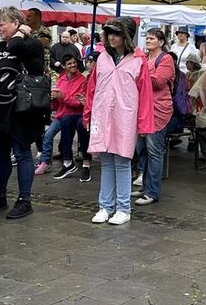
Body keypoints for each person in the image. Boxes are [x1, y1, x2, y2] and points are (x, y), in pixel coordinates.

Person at [0, 7, 48, 220]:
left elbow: (15, 46)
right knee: (0, 155)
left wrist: (22, 31)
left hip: (20, 111)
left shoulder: (30, 44)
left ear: (16, 23)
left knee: (22, 153)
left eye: (2, 24)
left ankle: (25, 200)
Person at [83, 16, 154, 226]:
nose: (112, 37)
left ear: (126, 36)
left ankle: (123, 208)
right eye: (109, 33)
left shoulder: (138, 61)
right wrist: (87, 114)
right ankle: (105, 206)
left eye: (117, 33)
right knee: (106, 161)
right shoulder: (103, 59)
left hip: (125, 117)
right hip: (102, 114)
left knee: (122, 162)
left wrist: (143, 123)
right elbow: (92, 89)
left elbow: (145, 95)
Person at [132, 28, 176, 206]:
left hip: (158, 110)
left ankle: (152, 192)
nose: (148, 40)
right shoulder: (144, 58)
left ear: (161, 42)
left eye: (152, 38)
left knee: (154, 151)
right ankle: (145, 186)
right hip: (142, 110)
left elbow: (158, 82)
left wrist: (140, 72)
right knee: (142, 150)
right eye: (147, 38)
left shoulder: (165, 59)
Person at [36, 53, 91, 181]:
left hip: (78, 114)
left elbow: (79, 103)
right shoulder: (60, 80)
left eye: (74, 63)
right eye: (69, 64)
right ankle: (51, 162)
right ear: (64, 66)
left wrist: (63, 97)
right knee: (48, 134)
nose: (73, 65)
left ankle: (86, 163)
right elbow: (56, 105)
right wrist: (54, 99)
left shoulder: (82, 80)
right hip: (63, 114)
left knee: (81, 127)